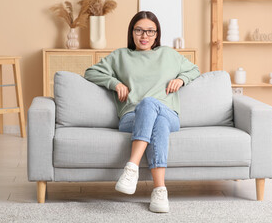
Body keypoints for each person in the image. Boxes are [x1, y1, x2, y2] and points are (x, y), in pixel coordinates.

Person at [84, 11, 200, 213]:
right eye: (139, 30)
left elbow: (194, 70)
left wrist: (181, 79)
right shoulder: (120, 56)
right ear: (132, 32)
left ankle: (131, 168)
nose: (144, 36)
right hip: (132, 117)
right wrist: (114, 83)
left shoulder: (169, 54)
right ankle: (160, 190)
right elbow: (90, 72)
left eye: (149, 31)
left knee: (153, 107)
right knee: (157, 120)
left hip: (169, 113)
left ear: (157, 34)